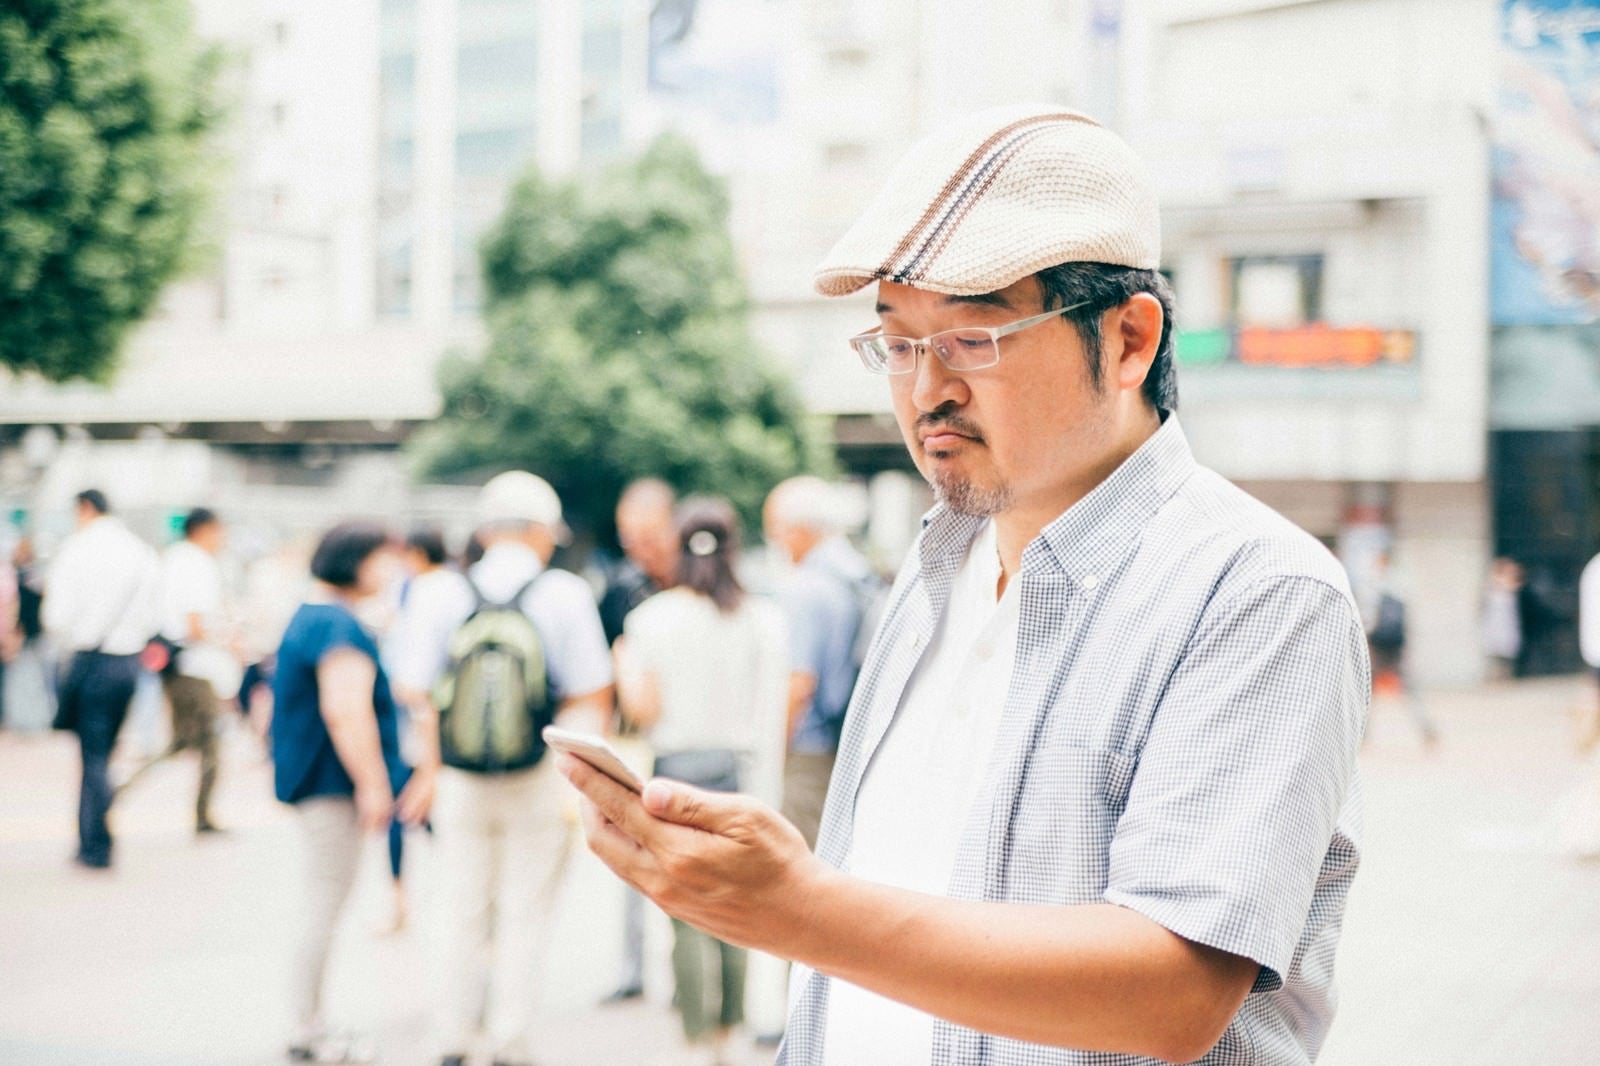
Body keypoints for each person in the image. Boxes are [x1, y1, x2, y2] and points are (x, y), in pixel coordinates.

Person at [559, 104, 1369, 1066]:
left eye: (973, 338)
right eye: (898, 342)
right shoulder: (939, 566)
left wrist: (798, 910)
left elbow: (1174, 993)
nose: (924, 390)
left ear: (1128, 342)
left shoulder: (1258, 593)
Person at [396, 472, 613, 1066]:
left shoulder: (439, 590)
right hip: (539, 774)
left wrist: (431, 767)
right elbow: (592, 692)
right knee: (526, 910)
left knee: (459, 906)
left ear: (487, 530)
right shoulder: (563, 592)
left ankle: (452, 1037)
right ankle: (509, 1041)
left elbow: (413, 689)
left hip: (460, 777)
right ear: (542, 533)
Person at [615, 497, 789, 1065]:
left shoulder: (651, 618)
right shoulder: (761, 617)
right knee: (735, 906)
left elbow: (643, 710)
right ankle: (732, 1035)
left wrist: (622, 665)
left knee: (686, 910)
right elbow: (770, 714)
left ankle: (696, 1041)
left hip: (674, 776)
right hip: (736, 772)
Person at [271, 522, 421, 1063]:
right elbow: (345, 709)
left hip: (314, 783)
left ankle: (308, 1024)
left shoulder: (313, 616)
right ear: (355, 561)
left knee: (321, 901)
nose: (391, 572)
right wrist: (375, 784)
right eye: (384, 559)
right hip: (330, 787)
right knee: (324, 904)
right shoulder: (337, 625)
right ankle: (308, 1029)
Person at [43, 490, 161, 870]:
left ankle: (95, 843)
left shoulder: (76, 549)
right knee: (105, 753)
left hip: (91, 662)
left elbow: (56, 616)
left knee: (92, 756)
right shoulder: (141, 551)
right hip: (128, 663)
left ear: (85, 508)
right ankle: (92, 838)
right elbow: (154, 613)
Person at [597, 477, 680, 1005]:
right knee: (629, 853)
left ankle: (687, 973)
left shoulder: (700, 581)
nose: (639, 549)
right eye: (630, 539)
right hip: (633, 740)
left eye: (648, 536)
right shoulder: (620, 588)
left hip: (690, 738)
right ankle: (632, 969)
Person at [764, 476, 875, 851]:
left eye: (775, 530)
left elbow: (799, 682)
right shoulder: (858, 576)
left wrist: (774, 754)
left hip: (807, 748)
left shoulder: (806, 587)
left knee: (799, 860)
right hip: (844, 739)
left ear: (798, 530)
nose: (776, 541)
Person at [121, 508, 239, 832]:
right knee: (207, 743)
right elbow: (195, 623)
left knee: (184, 742)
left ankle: (116, 792)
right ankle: (201, 815)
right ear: (205, 529)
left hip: (178, 665)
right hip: (195, 667)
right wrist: (231, 644)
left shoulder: (173, 559)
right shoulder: (196, 563)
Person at [378, 526, 453, 933]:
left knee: (405, 807)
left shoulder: (421, 591)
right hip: (447, 721)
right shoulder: (459, 586)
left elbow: (413, 680)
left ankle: (400, 902)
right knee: (434, 813)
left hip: (417, 721)